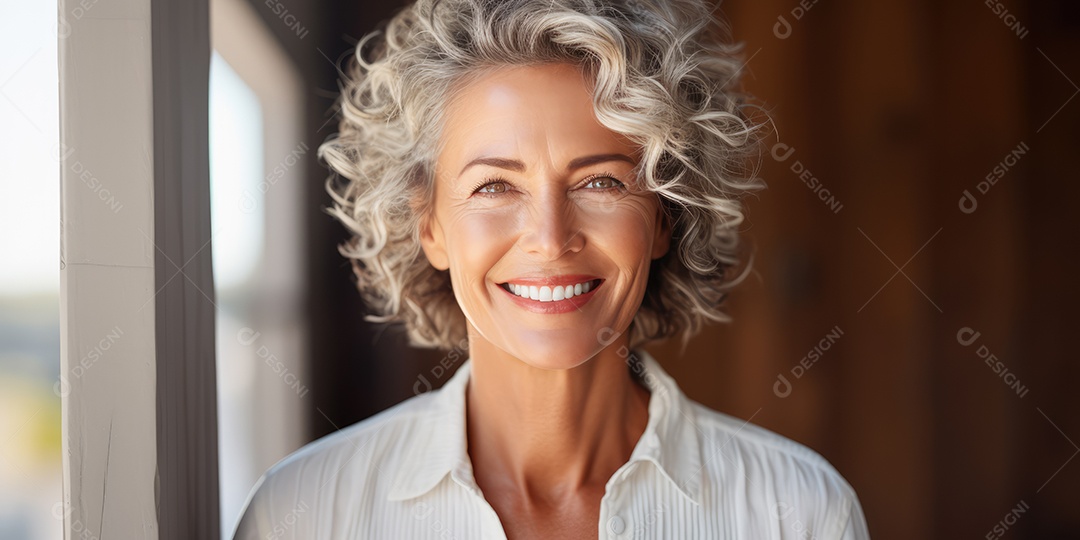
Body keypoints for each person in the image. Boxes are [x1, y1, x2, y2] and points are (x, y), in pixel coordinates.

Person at [234, 0, 870, 538]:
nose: (549, 238)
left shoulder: (800, 513)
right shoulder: (303, 513)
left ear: (664, 216)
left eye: (600, 181)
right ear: (428, 226)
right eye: (494, 187)